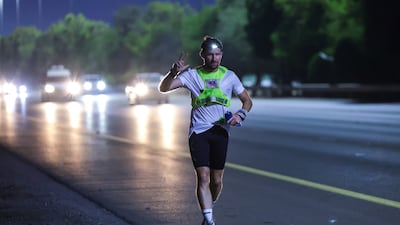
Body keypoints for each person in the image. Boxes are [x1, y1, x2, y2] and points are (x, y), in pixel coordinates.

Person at [158, 35, 253, 225]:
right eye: (210, 55)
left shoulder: (229, 76)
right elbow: (164, 88)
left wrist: (240, 115)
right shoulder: (192, 75)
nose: (214, 59)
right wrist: (172, 73)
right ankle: (209, 221)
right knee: (203, 176)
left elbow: (247, 101)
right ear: (203, 55)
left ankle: (210, 205)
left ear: (222, 55)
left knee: (216, 181)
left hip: (221, 132)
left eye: (217, 55)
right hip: (199, 132)